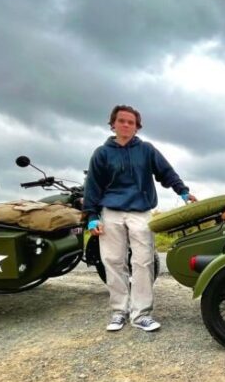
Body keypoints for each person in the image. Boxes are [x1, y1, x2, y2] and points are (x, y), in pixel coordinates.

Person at [84, 105, 197, 332]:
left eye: (131, 122)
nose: (126, 125)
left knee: (143, 261)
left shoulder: (146, 149)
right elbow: (92, 186)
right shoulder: (101, 153)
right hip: (111, 211)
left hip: (140, 211)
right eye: (122, 121)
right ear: (113, 124)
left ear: (137, 127)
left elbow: (166, 172)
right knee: (113, 261)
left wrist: (183, 191)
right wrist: (92, 216)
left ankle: (141, 314)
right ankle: (119, 311)